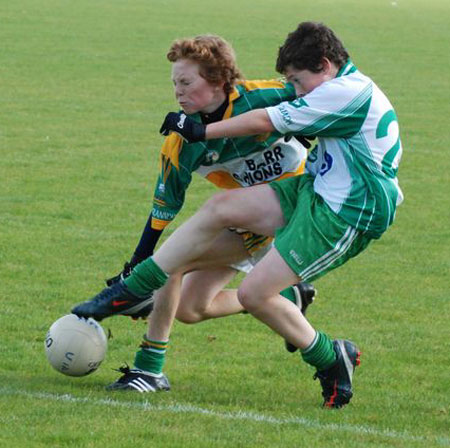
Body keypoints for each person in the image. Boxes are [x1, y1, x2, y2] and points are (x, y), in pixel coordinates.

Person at [73, 22, 403, 408]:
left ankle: (329, 357)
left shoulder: (343, 92)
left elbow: (266, 118)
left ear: (325, 65)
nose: (293, 90)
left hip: (347, 210)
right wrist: (138, 257)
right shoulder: (335, 88)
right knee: (201, 259)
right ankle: (137, 289)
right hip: (314, 189)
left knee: (218, 280)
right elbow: (165, 205)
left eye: (297, 81)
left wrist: (199, 131)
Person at [77, 35, 317, 392]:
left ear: (218, 80)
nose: (178, 92)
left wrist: (308, 132)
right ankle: (289, 297)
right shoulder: (180, 141)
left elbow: (321, 100)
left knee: (173, 261)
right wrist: (138, 263)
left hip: (297, 207)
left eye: (186, 82)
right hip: (247, 217)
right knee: (190, 308)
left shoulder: (264, 96)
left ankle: (149, 369)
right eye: (175, 83)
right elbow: (163, 208)